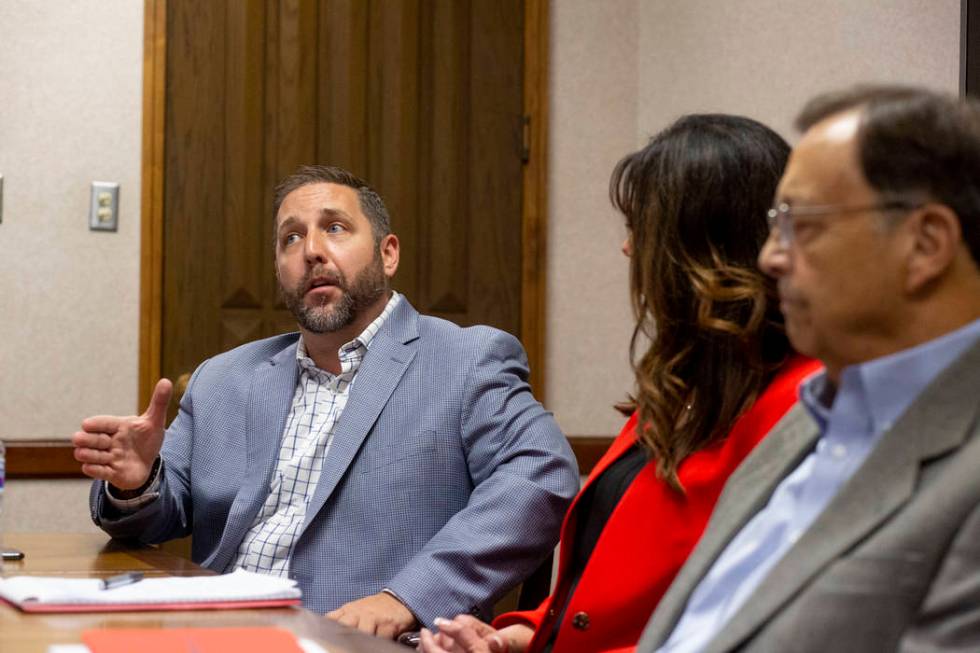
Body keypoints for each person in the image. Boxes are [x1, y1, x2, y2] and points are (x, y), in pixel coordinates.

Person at [71, 165, 579, 640]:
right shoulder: (223, 378)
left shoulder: (466, 360)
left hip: (354, 641)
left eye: (335, 228)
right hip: (219, 634)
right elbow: (161, 511)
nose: (311, 250)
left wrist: (404, 597)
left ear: (388, 253)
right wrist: (137, 482)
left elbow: (540, 476)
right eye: (291, 237)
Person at [419, 114, 821, 653]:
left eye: (640, 228)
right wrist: (516, 636)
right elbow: (599, 593)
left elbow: (752, 623)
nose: (628, 250)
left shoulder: (805, 406)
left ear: (700, 247)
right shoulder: (678, 384)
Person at [638, 86, 980, 653]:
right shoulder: (806, 423)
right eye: (776, 224)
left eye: (802, 225)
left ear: (926, 244)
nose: (771, 257)